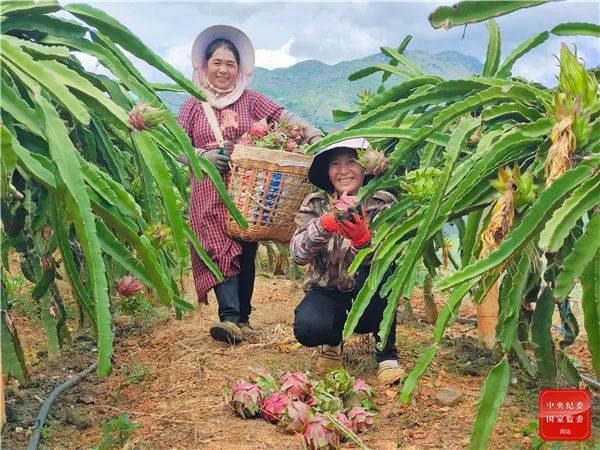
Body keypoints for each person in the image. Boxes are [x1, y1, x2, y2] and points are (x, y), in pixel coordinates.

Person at [178, 25, 322, 345]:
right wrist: (199, 157)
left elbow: (284, 118)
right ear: (205, 66)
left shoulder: (251, 100)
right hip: (208, 191)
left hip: (247, 189)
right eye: (217, 62)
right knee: (218, 249)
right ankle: (228, 317)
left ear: (238, 69)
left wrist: (316, 137)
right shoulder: (192, 105)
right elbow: (176, 146)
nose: (223, 70)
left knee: (244, 249)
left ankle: (243, 318)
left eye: (230, 64)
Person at [289, 138, 404, 385]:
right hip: (327, 288)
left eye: (352, 161)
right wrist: (324, 225)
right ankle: (332, 343)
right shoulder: (316, 204)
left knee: (384, 277)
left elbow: (392, 254)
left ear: (365, 168)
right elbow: (298, 254)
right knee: (308, 327)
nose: (343, 171)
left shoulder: (383, 203)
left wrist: (364, 241)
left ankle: (386, 355)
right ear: (328, 173)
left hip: (371, 290)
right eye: (335, 164)